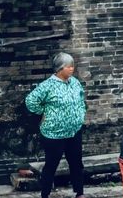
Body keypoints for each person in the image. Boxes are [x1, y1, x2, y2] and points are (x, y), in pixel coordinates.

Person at [25, 52, 87, 198]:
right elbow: (30, 101)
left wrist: (81, 113)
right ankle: (45, 194)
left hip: (74, 132)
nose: (72, 68)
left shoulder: (75, 82)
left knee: (77, 164)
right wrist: (42, 111)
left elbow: (81, 98)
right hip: (54, 135)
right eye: (68, 66)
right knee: (51, 165)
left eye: (72, 65)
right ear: (59, 68)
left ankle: (79, 192)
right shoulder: (47, 86)